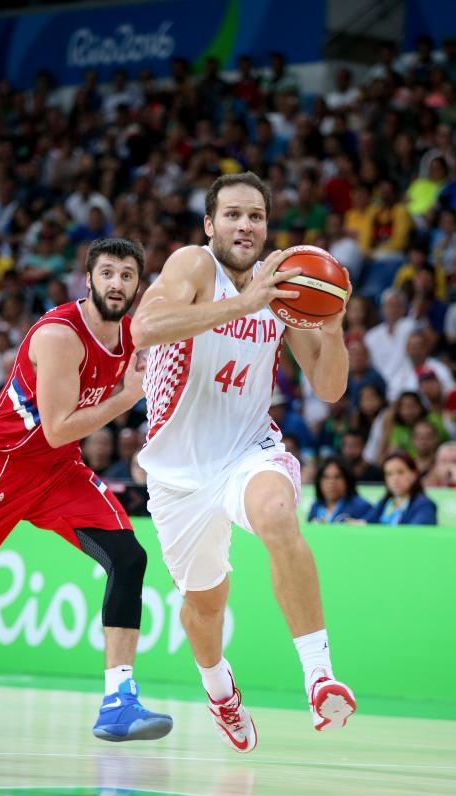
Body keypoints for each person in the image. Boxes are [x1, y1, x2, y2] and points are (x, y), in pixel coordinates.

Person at [0, 237, 173, 744]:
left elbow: (181, 321)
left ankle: (118, 703)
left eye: (127, 275)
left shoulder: (131, 333)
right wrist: (129, 397)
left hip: (57, 472)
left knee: (129, 558)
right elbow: (59, 428)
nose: (117, 283)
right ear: (88, 280)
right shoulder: (59, 335)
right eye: (107, 273)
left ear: (138, 284)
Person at [131, 172, 356, 753]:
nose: (245, 225)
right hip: (178, 475)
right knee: (204, 609)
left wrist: (332, 330)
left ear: (267, 225)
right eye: (232, 214)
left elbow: (329, 387)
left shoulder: (284, 284)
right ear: (210, 224)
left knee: (278, 513)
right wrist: (245, 303)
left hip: (247, 451)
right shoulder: (193, 265)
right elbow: (144, 327)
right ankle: (219, 690)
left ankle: (319, 676)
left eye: (255, 215)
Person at [363, 450, 437, 525]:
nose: (395, 479)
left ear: (414, 474)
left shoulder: (424, 505)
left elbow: (416, 531)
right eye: (389, 474)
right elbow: (364, 524)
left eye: (400, 472)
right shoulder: (384, 503)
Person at [308, 455, 372, 523]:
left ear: (347, 479)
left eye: (337, 477)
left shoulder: (361, 507)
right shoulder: (316, 507)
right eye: (326, 477)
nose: (331, 482)